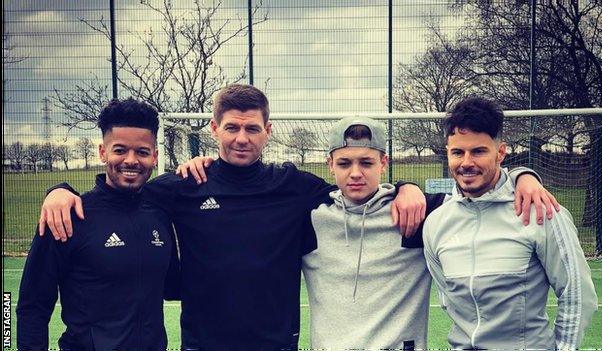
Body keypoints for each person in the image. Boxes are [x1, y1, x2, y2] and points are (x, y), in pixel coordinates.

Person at [39, 84, 557, 350]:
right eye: (232, 127)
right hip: (202, 344)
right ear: (214, 130)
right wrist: (59, 189)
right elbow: (114, 197)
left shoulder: (298, 188)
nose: (242, 137)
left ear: (269, 131)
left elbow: (436, 187)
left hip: (276, 345)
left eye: (253, 128)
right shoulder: (176, 190)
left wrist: (520, 173)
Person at [423, 97, 598, 350]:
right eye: (457, 152)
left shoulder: (541, 210)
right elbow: (448, 299)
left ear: (501, 152)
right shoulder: (437, 223)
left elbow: (577, 295)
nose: (466, 163)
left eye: (479, 151)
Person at [17, 98, 180, 350]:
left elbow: (173, 287)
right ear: (103, 152)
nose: (131, 160)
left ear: (155, 156)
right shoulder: (67, 216)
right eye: (120, 150)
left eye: (142, 152)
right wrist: (57, 189)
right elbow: (32, 306)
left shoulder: (159, 212)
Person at [301, 116, 446, 349]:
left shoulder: (416, 212)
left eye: (366, 163)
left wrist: (522, 177)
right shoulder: (310, 216)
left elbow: (478, 198)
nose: (355, 173)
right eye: (344, 163)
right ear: (330, 164)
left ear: (383, 162)